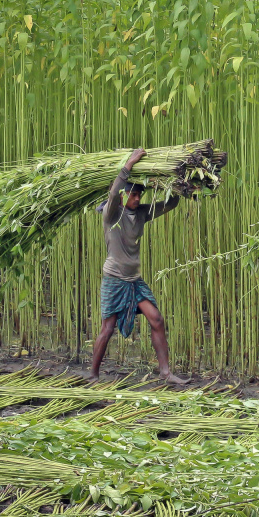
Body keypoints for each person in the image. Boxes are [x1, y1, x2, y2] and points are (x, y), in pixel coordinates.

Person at [88, 148, 185, 384]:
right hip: (114, 277)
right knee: (108, 328)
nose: (137, 198)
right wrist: (129, 164)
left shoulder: (141, 213)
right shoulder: (112, 215)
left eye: (139, 195)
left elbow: (170, 204)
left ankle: (165, 373)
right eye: (132, 195)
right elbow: (112, 195)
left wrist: (177, 183)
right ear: (123, 196)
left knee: (157, 320)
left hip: (134, 280)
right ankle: (93, 374)